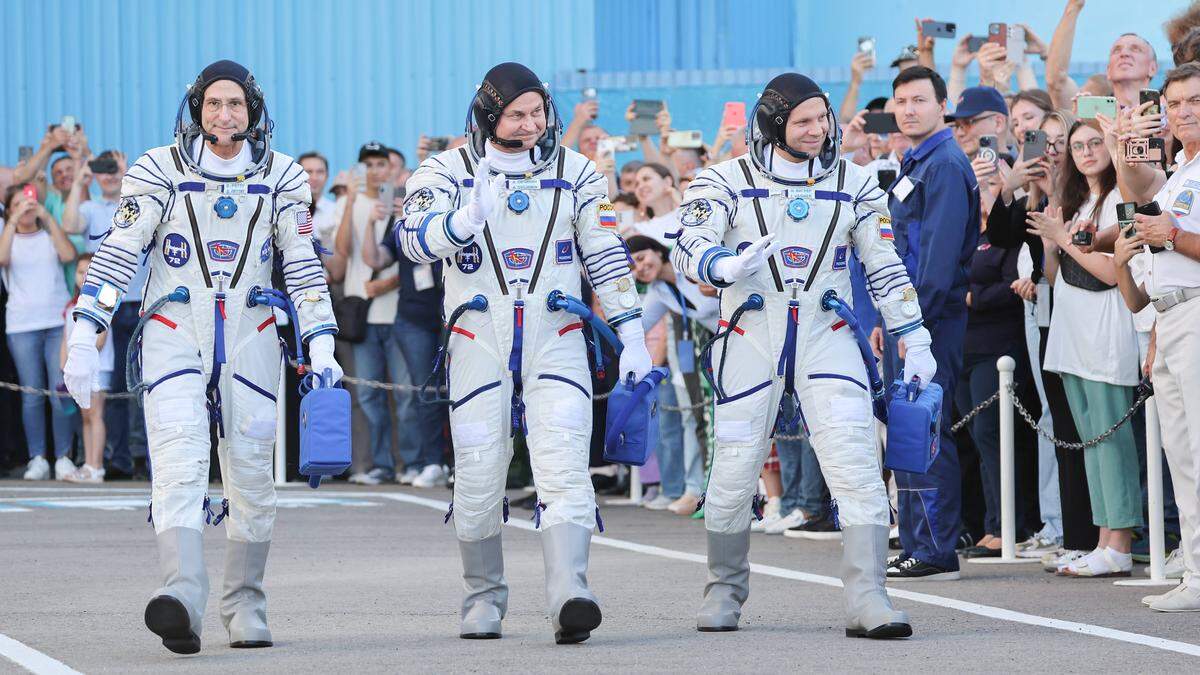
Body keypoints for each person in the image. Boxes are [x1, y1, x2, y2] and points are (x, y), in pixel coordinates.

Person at [62, 60, 341, 654]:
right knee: (179, 460)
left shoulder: (284, 176)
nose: (224, 115)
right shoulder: (157, 170)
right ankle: (182, 594)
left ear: (254, 111)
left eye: (235, 104)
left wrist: (320, 338)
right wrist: (87, 329)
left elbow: (303, 261)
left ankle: (245, 603)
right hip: (173, 330)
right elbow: (120, 251)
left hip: (253, 335)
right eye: (214, 103)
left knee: (251, 475)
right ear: (197, 110)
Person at [672, 71, 936, 638]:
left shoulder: (858, 182)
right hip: (749, 334)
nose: (818, 129)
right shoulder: (721, 181)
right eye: (803, 121)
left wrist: (915, 338)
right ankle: (723, 590)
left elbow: (885, 267)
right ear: (774, 124)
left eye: (823, 118)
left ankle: (869, 597)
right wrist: (724, 266)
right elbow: (688, 249)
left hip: (828, 330)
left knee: (857, 466)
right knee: (736, 469)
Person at [397, 62, 652, 644]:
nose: (531, 122)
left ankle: (570, 591)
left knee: (563, 462)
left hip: (556, 333)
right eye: (517, 113)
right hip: (478, 336)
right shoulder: (444, 170)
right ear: (490, 115)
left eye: (537, 111)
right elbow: (412, 242)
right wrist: (463, 220)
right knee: (481, 469)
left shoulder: (576, 171)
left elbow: (606, 254)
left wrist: (632, 333)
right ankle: (482, 596)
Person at [1028, 119, 1142, 577]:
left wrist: (1062, 241)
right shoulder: (1079, 200)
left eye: (1096, 142)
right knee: (1089, 441)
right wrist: (1052, 242)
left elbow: (1115, 271)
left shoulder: (1123, 198)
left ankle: (1121, 542)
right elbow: (1057, 278)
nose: (1086, 151)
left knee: (1110, 440)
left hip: (1107, 329)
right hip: (1071, 329)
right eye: (1078, 146)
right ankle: (1102, 538)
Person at [1108, 62, 1200, 610]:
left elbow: (1171, 235)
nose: (1185, 111)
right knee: (1182, 454)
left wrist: (1176, 235)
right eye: (1176, 103)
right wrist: (1125, 148)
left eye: (1195, 100)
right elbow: (1137, 191)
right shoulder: (1182, 167)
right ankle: (1195, 575)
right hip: (1170, 317)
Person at [882, 66, 979, 582]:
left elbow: (937, 262)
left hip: (930, 320)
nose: (909, 109)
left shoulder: (942, 164)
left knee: (927, 428)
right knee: (909, 428)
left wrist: (910, 327)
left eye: (919, 99)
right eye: (901, 101)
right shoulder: (915, 160)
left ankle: (937, 547)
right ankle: (919, 542)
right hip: (908, 317)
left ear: (943, 105)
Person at [63, 149, 149, 478]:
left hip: (139, 301)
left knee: (143, 382)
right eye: (104, 170)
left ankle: (147, 459)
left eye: (115, 170)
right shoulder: (90, 208)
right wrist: (80, 180)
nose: (110, 175)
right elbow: (70, 224)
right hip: (103, 306)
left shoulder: (136, 200)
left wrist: (129, 177)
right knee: (111, 386)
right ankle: (120, 458)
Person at [335, 142, 411, 485]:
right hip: (361, 312)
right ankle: (379, 464)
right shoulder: (348, 203)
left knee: (405, 393)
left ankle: (409, 464)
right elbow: (342, 254)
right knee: (367, 394)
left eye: (382, 164)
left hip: (396, 311)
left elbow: (411, 258)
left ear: (393, 169)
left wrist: (390, 283)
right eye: (369, 165)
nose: (376, 171)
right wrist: (351, 202)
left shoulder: (403, 203)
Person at [361, 189, 449, 489]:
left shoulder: (451, 220)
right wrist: (373, 224)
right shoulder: (401, 228)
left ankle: (464, 463)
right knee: (424, 391)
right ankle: (434, 462)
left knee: (463, 389)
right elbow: (375, 259)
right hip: (413, 319)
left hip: (455, 314)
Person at [627, 234, 717, 515]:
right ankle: (701, 490)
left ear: (657, 250)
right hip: (712, 348)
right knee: (700, 420)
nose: (640, 268)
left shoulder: (687, 266)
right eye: (632, 266)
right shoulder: (659, 291)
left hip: (742, 336)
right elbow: (636, 326)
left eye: (642, 258)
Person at [0, 184, 77, 481]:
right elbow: (3, 259)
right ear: (8, 210)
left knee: (61, 391)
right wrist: (13, 219)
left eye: (28, 201)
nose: (25, 206)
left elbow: (69, 254)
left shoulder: (48, 235)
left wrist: (45, 214)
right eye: (17, 203)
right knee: (31, 393)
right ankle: (37, 458)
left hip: (56, 322)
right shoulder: (8, 238)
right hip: (22, 325)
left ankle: (63, 457)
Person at [61, 253, 112, 483]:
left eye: (89, 272)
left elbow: (100, 340)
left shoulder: (106, 297)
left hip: (99, 367)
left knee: (96, 414)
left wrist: (85, 357)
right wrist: (66, 365)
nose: (84, 277)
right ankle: (89, 464)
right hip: (79, 366)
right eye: (81, 272)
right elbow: (66, 338)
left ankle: (96, 465)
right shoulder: (72, 304)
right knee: (85, 417)